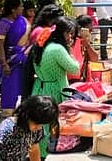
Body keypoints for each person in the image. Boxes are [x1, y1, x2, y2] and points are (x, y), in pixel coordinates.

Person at [30, 17, 89, 157]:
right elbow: (74, 69)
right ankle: (52, 154)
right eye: (69, 33)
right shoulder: (57, 49)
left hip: (39, 88)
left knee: (41, 126)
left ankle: (42, 155)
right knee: (54, 126)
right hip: (54, 90)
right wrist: (70, 50)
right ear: (61, 33)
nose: (70, 37)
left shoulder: (43, 46)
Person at [0, 95, 59, 161]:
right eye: (36, 124)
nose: (39, 128)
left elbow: (34, 149)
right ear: (26, 116)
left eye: (41, 125)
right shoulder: (5, 131)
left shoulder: (36, 130)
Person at [0, 0, 28, 116]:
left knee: (20, 85)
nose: (22, 8)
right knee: (10, 86)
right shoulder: (4, 23)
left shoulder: (21, 21)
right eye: (20, 6)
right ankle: (8, 111)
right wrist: (4, 63)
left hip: (21, 59)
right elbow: (0, 45)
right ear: (13, 9)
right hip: (10, 61)